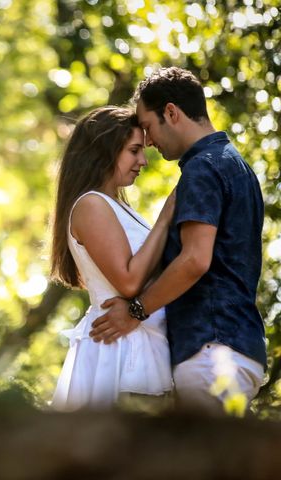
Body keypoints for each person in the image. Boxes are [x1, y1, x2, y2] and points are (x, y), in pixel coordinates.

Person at [89, 67, 267, 414]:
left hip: (211, 350)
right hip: (236, 346)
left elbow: (194, 260)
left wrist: (136, 312)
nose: (149, 141)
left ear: (171, 112)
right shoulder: (236, 165)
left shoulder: (202, 168)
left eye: (149, 127)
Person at [50, 106, 175, 411]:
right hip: (119, 353)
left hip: (143, 344)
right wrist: (166, 217)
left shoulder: (116, 206)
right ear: (104, 151)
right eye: (134, 151)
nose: (143, 161)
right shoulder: (91, 205)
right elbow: (129, 281)